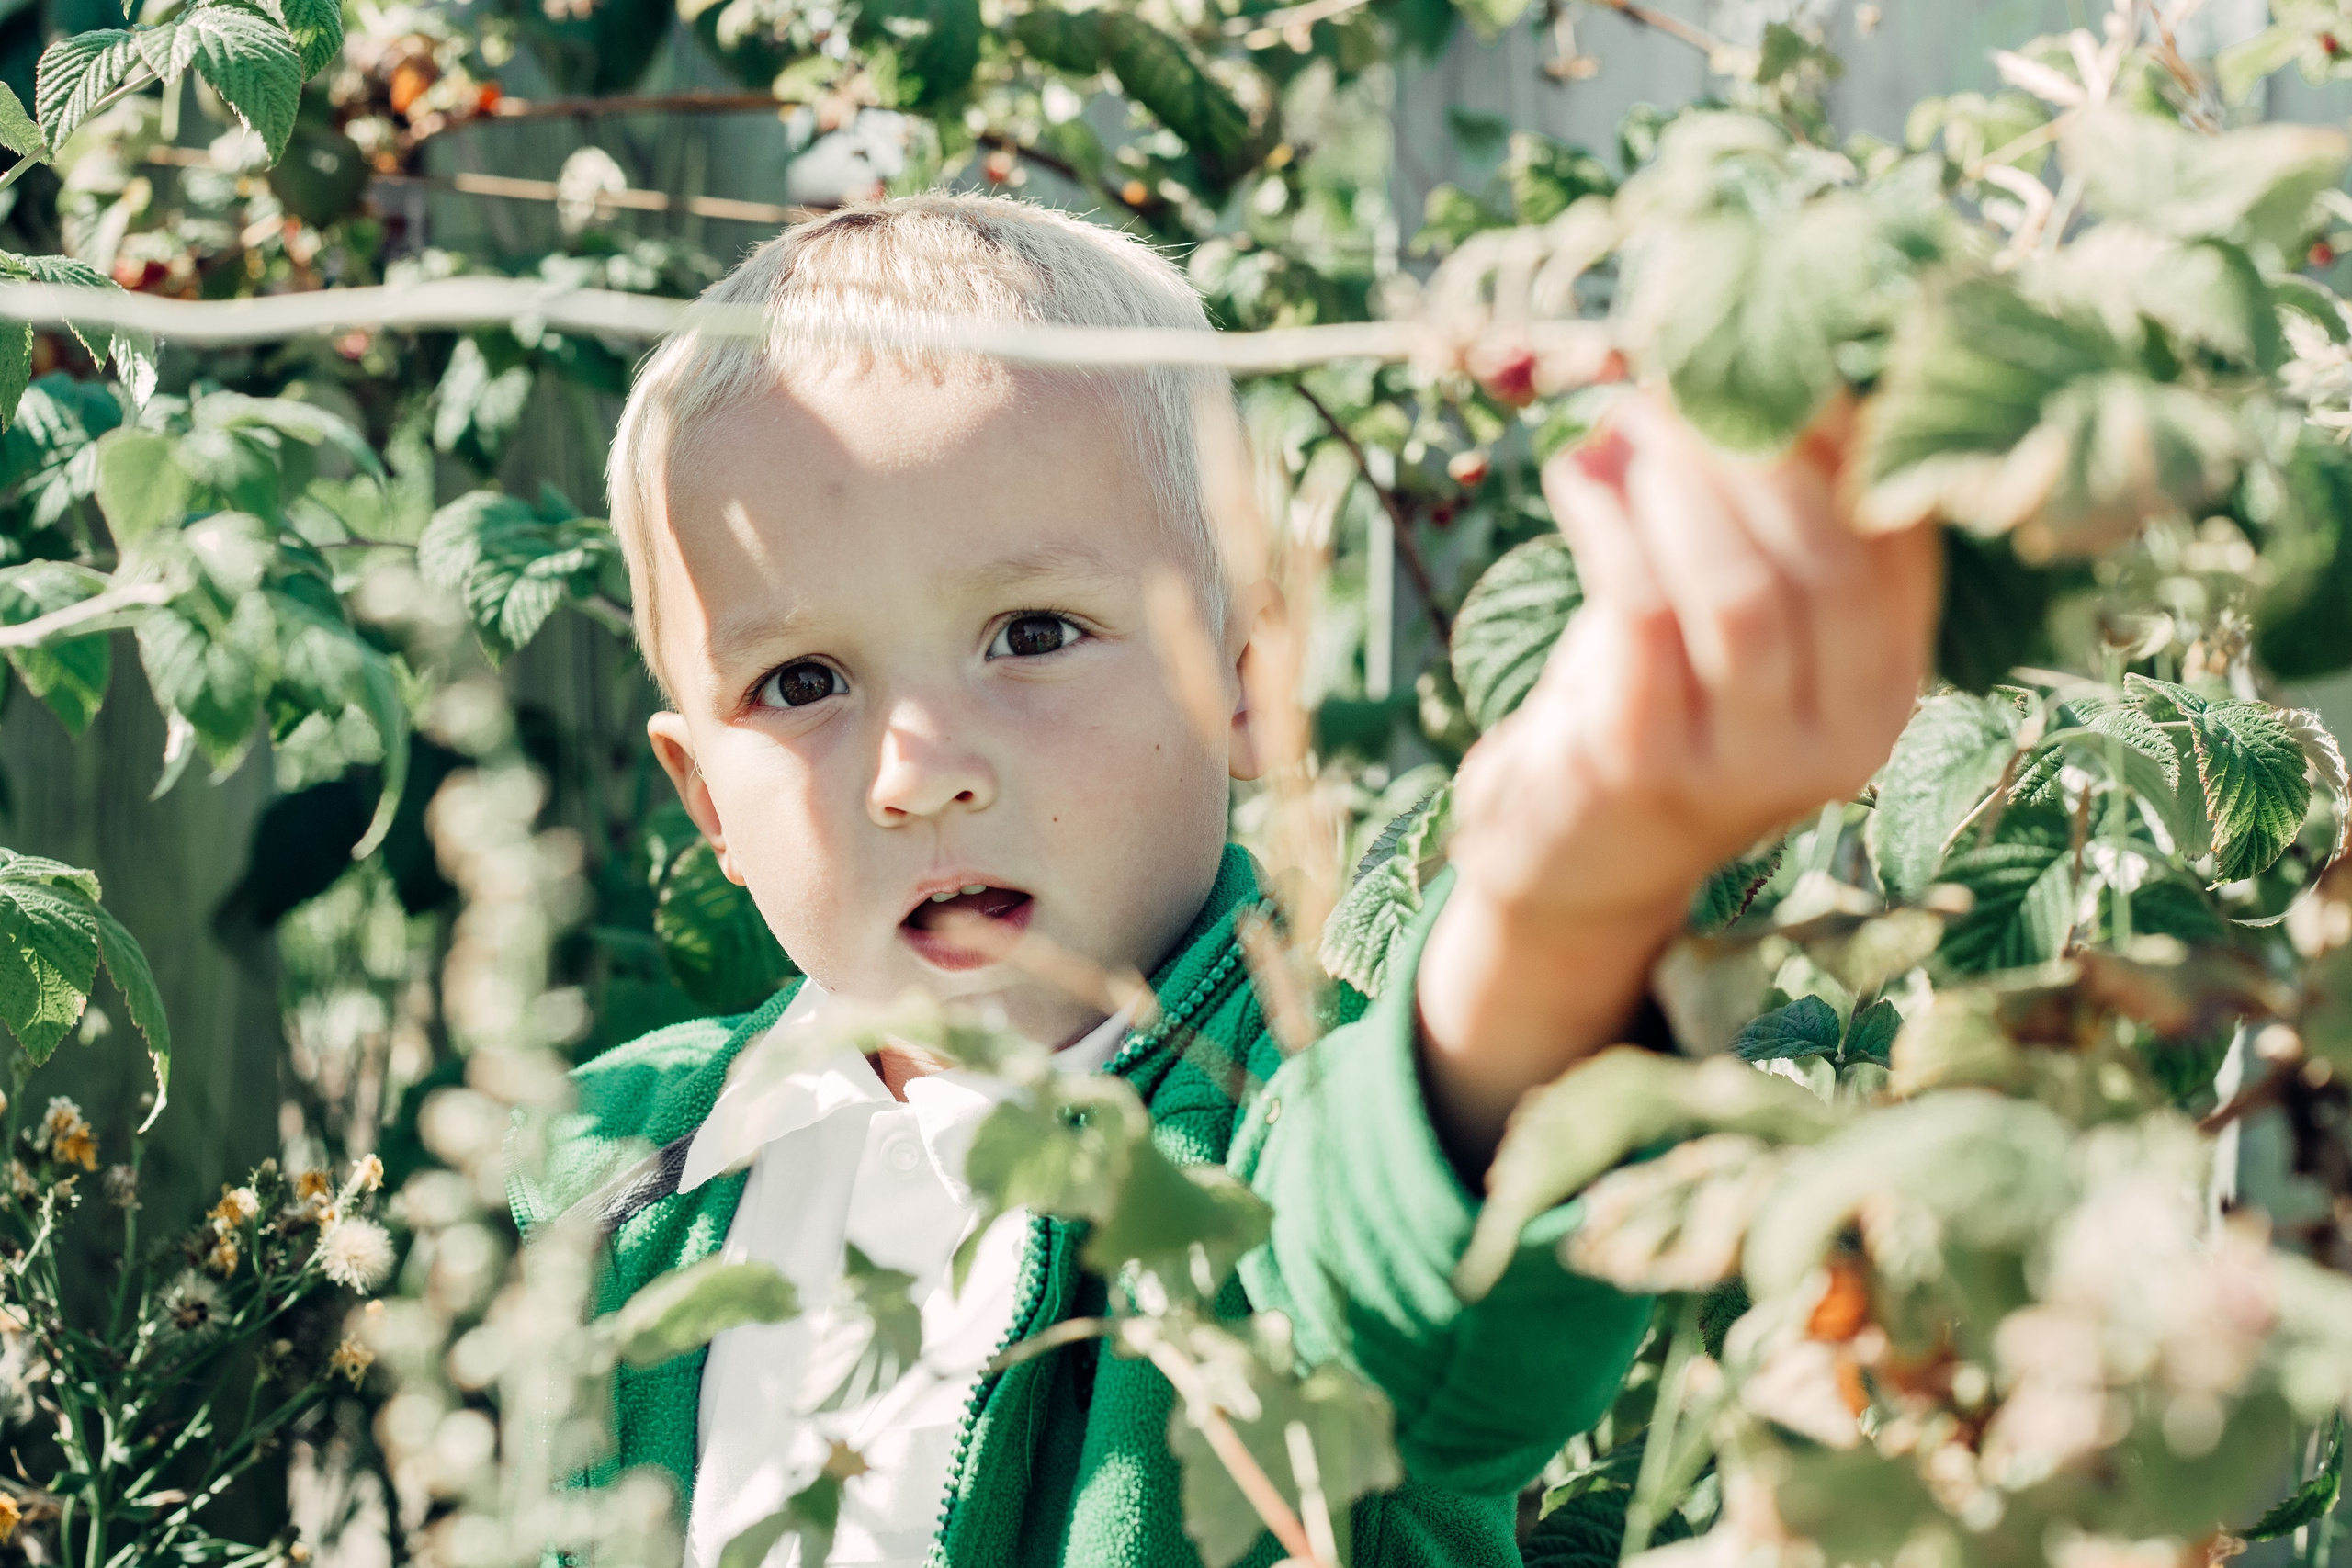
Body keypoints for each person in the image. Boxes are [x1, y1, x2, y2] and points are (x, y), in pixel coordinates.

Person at [509, 192, 1939, 1568]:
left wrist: (1567, 895)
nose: (921, 769)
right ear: (703, 798)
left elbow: (1420, 1287)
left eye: (1031, 633)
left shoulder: (1280, 1119)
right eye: (803, 679)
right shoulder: (608, 1162)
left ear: (1249, 683)